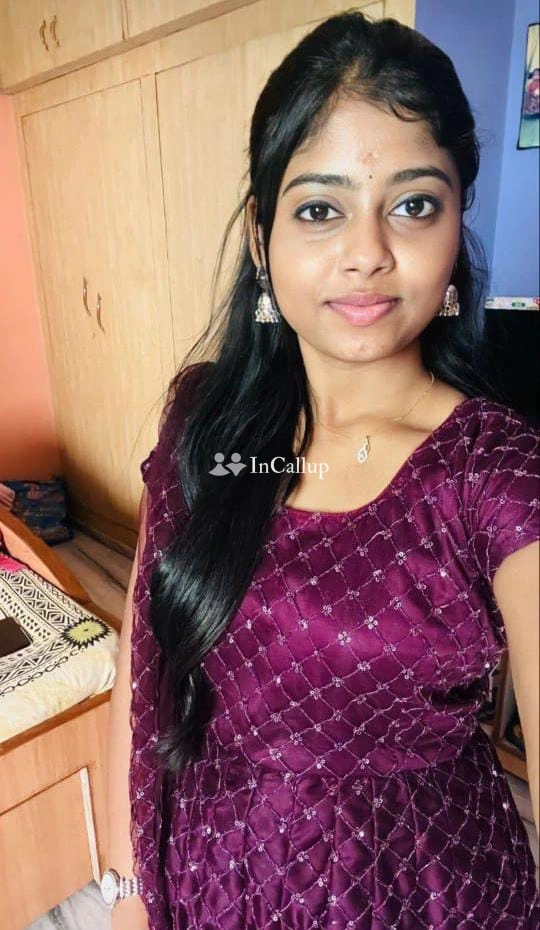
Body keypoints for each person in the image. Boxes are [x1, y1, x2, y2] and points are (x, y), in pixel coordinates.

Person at [106, 10, 540, 930]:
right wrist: (129, 890)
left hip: (418, 894)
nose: (368, 252)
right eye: (319, 209)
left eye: (413, 204)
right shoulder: (206, 417)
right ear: (261, 238)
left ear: (457, 220)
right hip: (211, 868)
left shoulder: (494, 473)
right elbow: (142, 665)